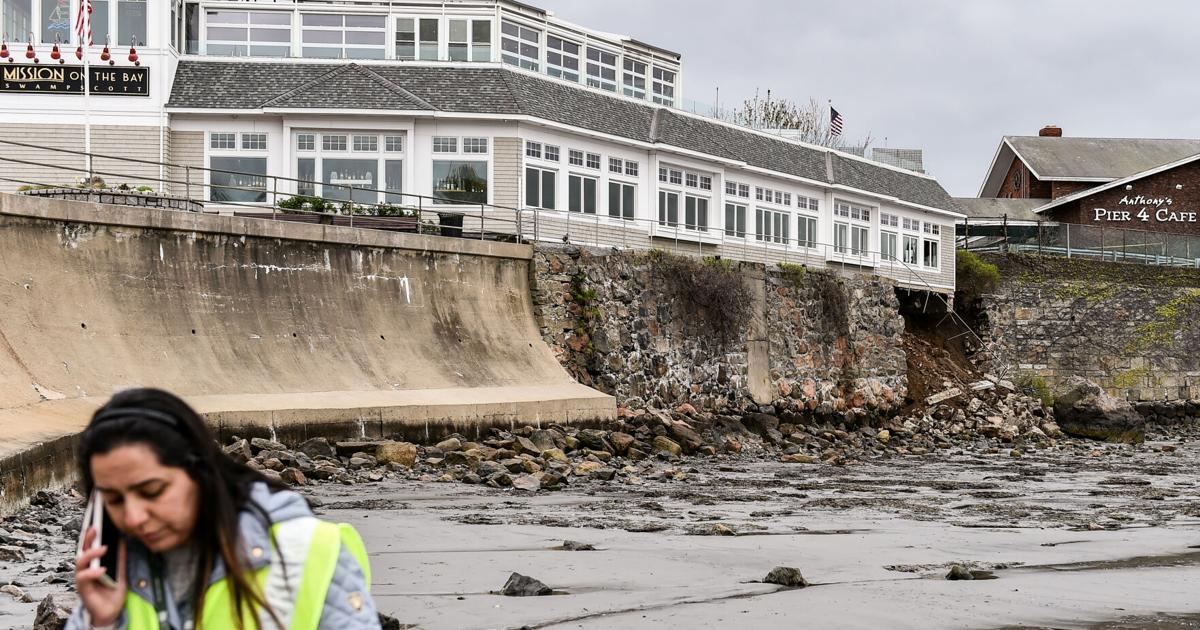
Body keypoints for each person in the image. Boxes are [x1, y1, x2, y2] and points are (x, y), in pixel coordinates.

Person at [67, 388, 382, 630]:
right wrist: (102, 622)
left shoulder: (308, 552)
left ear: (200, 472)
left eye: (153, 491)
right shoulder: (109, 584)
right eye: (114, 500)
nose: (134, 517)